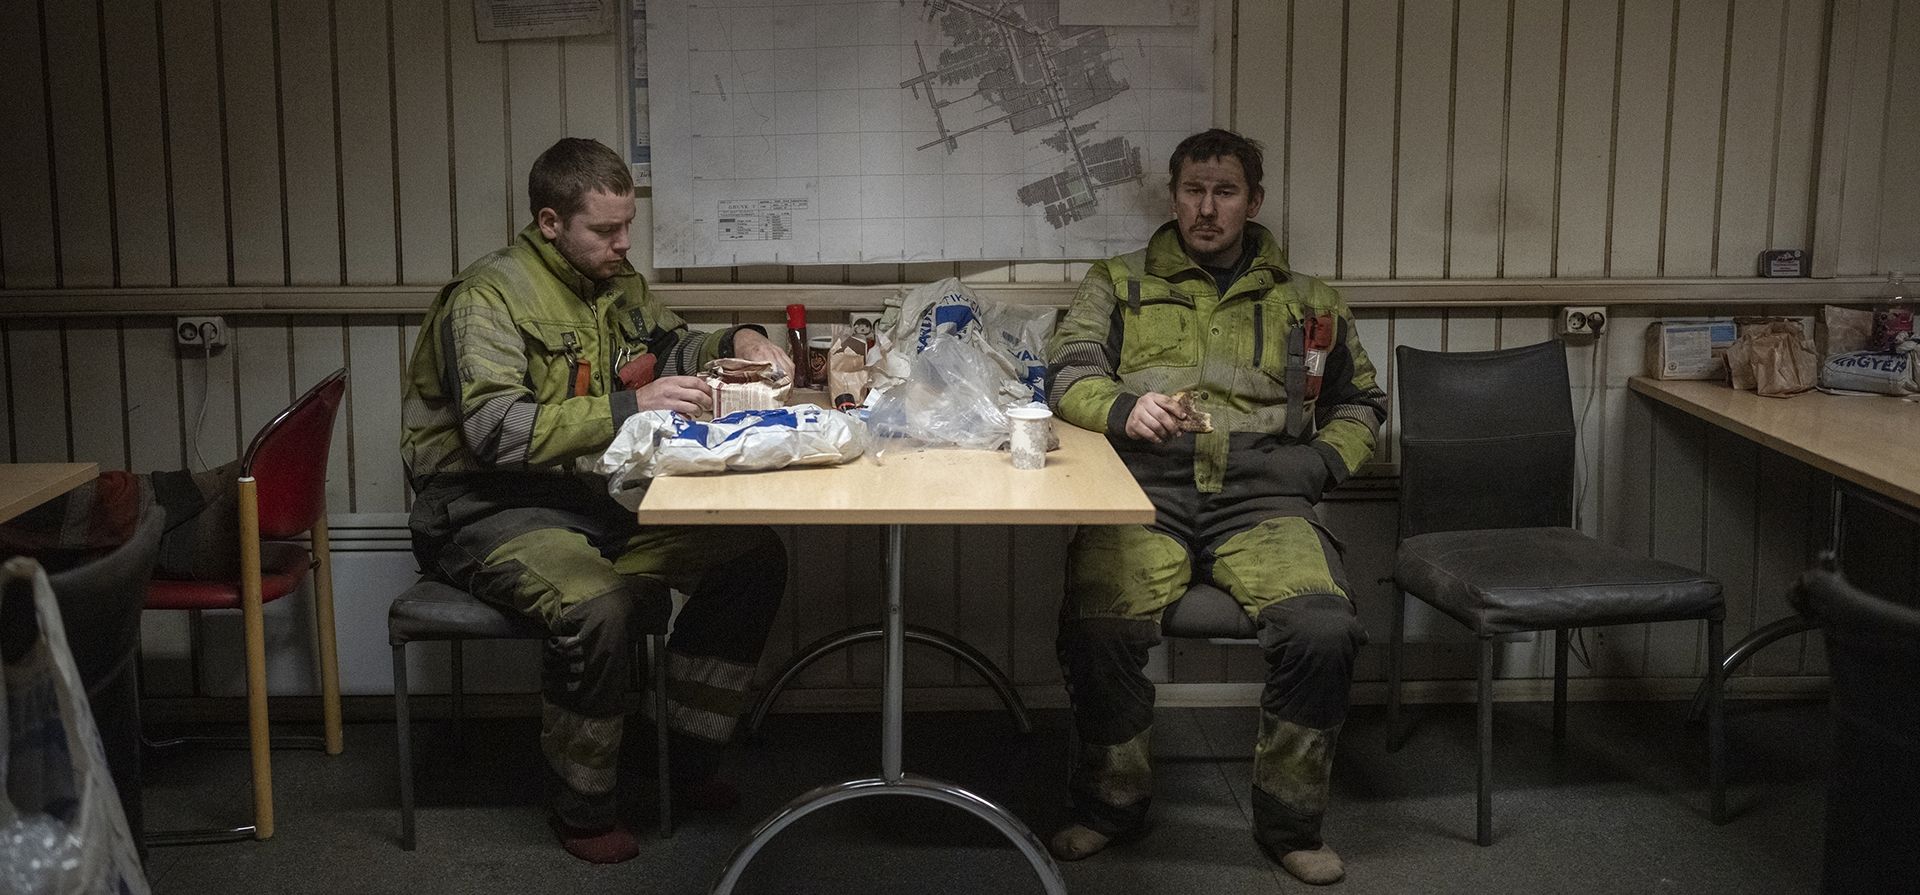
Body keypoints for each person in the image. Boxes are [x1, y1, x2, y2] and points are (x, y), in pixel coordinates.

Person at [400, 137, 792, 864]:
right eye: (604, 231)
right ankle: (583, 807)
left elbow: (671, 346)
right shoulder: (488, 296)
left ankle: (677, 757)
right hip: (485, 509)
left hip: (588, 498)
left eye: (627, 228)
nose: (622, 244)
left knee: (753, 555)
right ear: (550, 222)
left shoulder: (614, 280)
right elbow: (494, 430)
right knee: (597, 605)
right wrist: (628, 405)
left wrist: (738, 338)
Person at [1042, 128, 1386, 885]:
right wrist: (1126, 407)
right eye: (1193, 191)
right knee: (1098, 624)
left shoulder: (1309, 302)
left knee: (1324, 628)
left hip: (1263, 502)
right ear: (1173, 198)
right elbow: (1066, 377)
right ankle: (1109, 805)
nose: (1207, 208)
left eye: (1224, 192)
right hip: (1145, 495)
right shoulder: (1117, 281)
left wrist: (1320, 465)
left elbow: (1362, 402)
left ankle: (1290, 823)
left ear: (1253, 201)